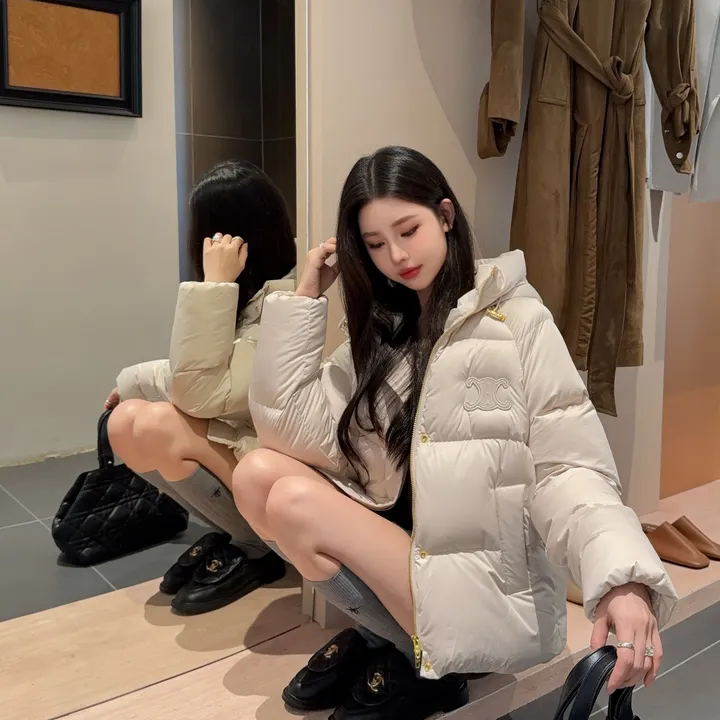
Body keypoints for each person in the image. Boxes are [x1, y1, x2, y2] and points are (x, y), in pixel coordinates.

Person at [231, 146, 677, 720]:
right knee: (256, 474)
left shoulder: (516, 320)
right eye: (374, 244)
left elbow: (568, 465)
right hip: (414, 564)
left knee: (292, 500)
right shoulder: (388, 331)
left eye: (408, 230)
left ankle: (433, 667)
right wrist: (304, 299)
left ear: (445, 215)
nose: (396, 256)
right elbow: (285, 427)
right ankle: (392, 642)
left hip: (481, 592)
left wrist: (623, 580)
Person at [106, 160, 296, 615]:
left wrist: (214, 284)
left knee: (154, 425)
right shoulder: (248, 292)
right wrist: (134, 386)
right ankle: (236, 533)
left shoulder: (286, 297)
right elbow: (193, 376)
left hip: (273, 459)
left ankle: (258, 547)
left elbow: (200, 392)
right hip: (243, 443)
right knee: (124, 422)